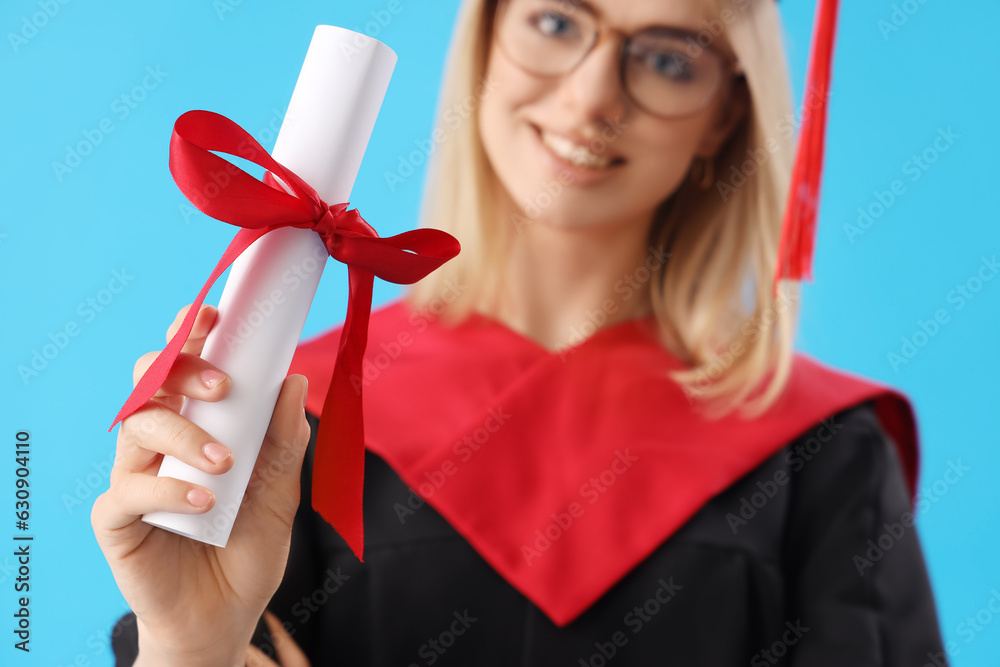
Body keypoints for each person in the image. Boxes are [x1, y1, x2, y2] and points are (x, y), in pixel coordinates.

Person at [93, 0, 949, 664]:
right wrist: (189, 649)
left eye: (665, 57)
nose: (591, 96)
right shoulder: (292, 423)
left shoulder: (824, 452)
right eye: (554, 20)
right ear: (489, 38)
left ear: (724, 116)